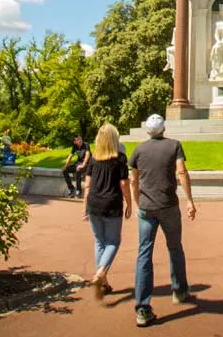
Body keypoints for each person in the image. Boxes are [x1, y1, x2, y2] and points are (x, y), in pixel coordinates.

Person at [129, 114, 196, 328]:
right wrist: (190, 201)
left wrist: (137, 201)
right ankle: (179, 291)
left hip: (147, 209)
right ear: (164, 128)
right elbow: (182, 172)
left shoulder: (139, 150)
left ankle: (142, 308)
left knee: (144, 254)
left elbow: (133, 178)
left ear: (148, 131)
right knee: (175, 247)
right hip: (168, 206)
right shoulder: (174, 145)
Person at [83, 123, 132, 299]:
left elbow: (87, 184)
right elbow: (124, 183)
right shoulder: (119, 159)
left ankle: (103, 283)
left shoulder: (94, 158)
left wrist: (85, 207)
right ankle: (100, 273)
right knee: (113, 242)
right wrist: (130, 203)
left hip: (94, 203)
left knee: (99, 241)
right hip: (111, 204)